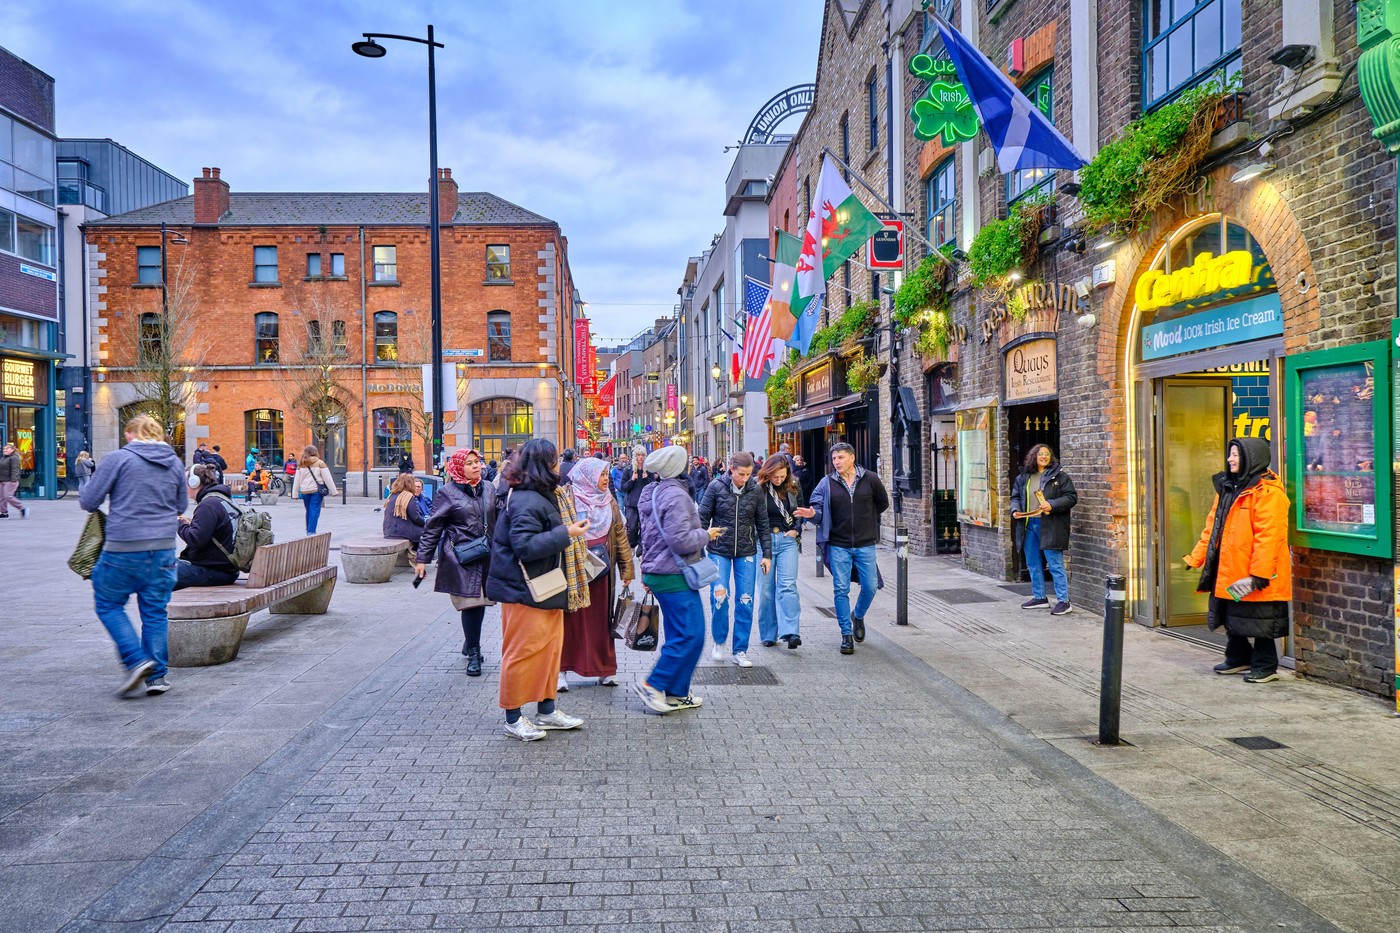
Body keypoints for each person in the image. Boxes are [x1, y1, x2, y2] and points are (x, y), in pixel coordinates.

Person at [484, 439, 591, 741]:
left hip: (545, 585)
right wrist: (565, 533)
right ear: (545, 464)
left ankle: (547, 710)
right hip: (525, 589)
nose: (559, 464)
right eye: (555, 459)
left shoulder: (542, 494)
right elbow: (525, 546)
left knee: (549, 650)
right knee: (523, 652)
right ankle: (513, 717)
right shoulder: (527, 499)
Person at [79, 413, 187, 696]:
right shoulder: (174, 463)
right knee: (154, 611)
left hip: (123, 548)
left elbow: (89, 501)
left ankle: (136, 660)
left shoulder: (118, 458)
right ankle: (157, 677)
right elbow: (181, 505)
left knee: (108, 604)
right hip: (163, 549)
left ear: (131, 435)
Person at [1183, 437, 1292, 683]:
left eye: (1236, 454)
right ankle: (1238, 656)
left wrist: (1259, 573)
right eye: (1230, 454)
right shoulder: (1228, 488)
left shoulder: (1268, 493)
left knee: (1262, 619)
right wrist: (1197, 556)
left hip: (1259, 571)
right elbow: (1212, 528)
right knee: (1231, 614)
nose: (1230, 459)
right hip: (1230, 567)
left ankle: (1265, 665)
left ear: (1252, 458)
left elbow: (1270, 537)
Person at [634, 445, 724, 714]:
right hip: (674, 572)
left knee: (679, 634)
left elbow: (649, 535)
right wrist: (707, 535)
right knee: (691, 634)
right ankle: (653, 684)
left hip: (659, 570)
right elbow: (681, 539)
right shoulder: (676, 495)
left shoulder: (654, 491)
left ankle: (677, 693)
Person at [416, 449, 499, 677]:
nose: (476, 467)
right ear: (458, 467)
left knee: (480, 602)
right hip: (461, 557)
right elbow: (432, 528)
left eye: (478, 462)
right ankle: (474, 653)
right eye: (470, 463)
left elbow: (500, 516)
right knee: (471, 603)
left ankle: (469, 641)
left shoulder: (489, 488)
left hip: (485, 554)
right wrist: (422, 558)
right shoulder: (448, 493)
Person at [804, 442, 888, 655]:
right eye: (834, 459)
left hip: (865, 543)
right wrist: (813, 515)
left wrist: (865, 522)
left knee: (870, 586)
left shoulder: (871, 479)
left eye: (840, 458)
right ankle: (846, 634)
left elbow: (882, 504)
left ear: (852, 457)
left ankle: (857, 615)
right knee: (841, 589)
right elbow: (817, 507)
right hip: (838, 544)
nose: (837, 462)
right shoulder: (827, 483)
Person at [559, 457, 635, 691]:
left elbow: (620, 535)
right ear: (588, 476)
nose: (605, 480)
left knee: (602, 620)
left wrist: (627, 569)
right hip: (576, 569)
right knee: (572, 619)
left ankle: (604, 670)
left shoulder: (609, 500)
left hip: (603, 569)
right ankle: (561, 670)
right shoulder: (568, 497)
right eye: (601, 475)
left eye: (606, 475)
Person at [697, 452, 771, 667]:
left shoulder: (755, 490)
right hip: (719, 550)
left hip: (747, 552)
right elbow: (702, 517)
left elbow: (763, 524)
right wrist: (698, 547)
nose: (745, 478)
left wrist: (767, 555)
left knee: (745, 600)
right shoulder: (715, 487)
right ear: (731, 469)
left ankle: (740, 650)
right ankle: (719, 641)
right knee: (719, 597)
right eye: (741, 474)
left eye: (748, 474)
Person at [1009, 444, 1078, 615]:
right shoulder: (1023, 477)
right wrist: (1015, 510)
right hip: (1029, 523)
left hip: (1050, 525)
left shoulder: (1060, 477)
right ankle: (1040, 597)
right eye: (1040, 454)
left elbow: (1071, 497)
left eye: (1047, 454)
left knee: (1055, 563)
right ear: (1034, 456)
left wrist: (1052, 504)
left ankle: (1064, 601)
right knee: (1033, 563)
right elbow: (1015, 497)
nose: (1044, 456)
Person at [755, 456, 805, 649]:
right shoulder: (757, 488)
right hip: (763, 542)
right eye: (775, 476)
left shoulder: (793, 484)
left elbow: (799, 510)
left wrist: (797, 530)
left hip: (786, 541)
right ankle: (768, 634)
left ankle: (791, 631)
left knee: (787, 585)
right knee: (766, 590)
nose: (778, 480)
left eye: (782, 476)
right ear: (767, 473)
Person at [175, 463, 240, 590]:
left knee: (158, 574)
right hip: (226, 568)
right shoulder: (220, 499)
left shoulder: (207, 505)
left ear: (194, 483)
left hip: (215, 571)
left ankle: (157, 609)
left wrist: (180, 524)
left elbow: (196, 540)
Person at [291, 445, 337, 535]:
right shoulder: (320, 463)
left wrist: (295, 494)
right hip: (316, 490)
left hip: (304, 491)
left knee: (308, 510)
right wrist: (334, 491)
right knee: (314, 510)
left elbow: (297, 480)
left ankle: (308, 529)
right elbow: (327, 478)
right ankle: (311, 531)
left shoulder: (301, 463)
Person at [620, 445, 656, 551]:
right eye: (638, 455)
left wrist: (647, 479)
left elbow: (653, 486)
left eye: (642, 455)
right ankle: (632, 545)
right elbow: (623, 487)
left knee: (645, 528)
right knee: (631, 528)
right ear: (634, 457)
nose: (640, 457)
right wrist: (631, 480)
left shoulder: (649, 470)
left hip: (645, 503)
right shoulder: (628, 470)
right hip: (632, 504)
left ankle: (640, 549)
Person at [383, 472, 426, 548]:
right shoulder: (408, 496)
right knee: (429, 533)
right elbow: (415, 517)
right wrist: (426, 523)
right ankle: (419, 557)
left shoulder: (391, 496)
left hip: (388, 531)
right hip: (402, 533)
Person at [0, 442, 23, 518]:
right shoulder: (3, 458)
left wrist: (14, 480)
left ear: (12, 450)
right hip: (2, 480)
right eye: (4, 449)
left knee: (8, 496)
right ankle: (4, 513)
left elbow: (15, 469)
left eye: (7, 449)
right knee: (1, 497)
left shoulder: (14, 458)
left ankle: (22, 508)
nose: (4, 450)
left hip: (10, 480)